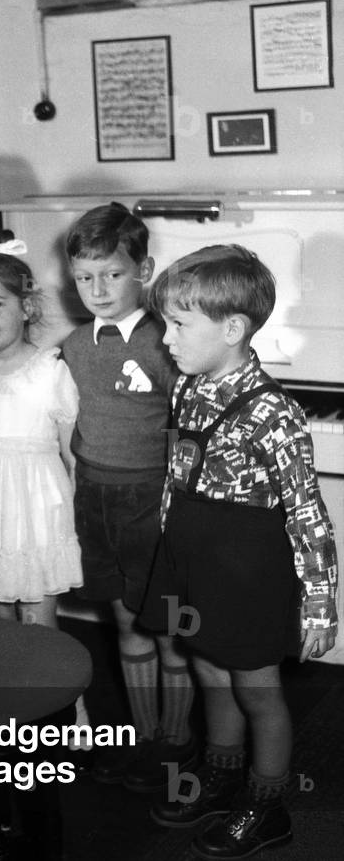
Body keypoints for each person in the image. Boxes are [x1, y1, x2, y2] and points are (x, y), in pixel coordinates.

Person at [140, 245, 337, 858]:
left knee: (256, 688)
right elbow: (178, 474)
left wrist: (320, 604)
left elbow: (308, 511)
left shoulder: (275, 413)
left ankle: (267, 803)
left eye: (178, 324)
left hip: (247, 572)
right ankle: (222, 776)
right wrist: (169, 554)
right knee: (206, 667)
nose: (165, 337)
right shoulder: (189, 387)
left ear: (232, 329)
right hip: (195, 562)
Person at [60, 202, 196, 792]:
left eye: (112, 274)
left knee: (166, 625)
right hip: (95, 500)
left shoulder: (166, 343)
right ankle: (142, 737)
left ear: (143, 269)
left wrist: (180, 500)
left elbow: (189, 421)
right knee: (125, 621)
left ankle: (177, 739)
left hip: (150, 501)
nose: (98, 288)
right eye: (85, 277)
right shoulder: (73, 345)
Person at [0, 252, 82, 628]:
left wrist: (74, 521)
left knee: (37, 625)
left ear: (26, 308)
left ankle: (55, 687)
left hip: (35, 515)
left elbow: (72, 456)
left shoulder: (50, 372)